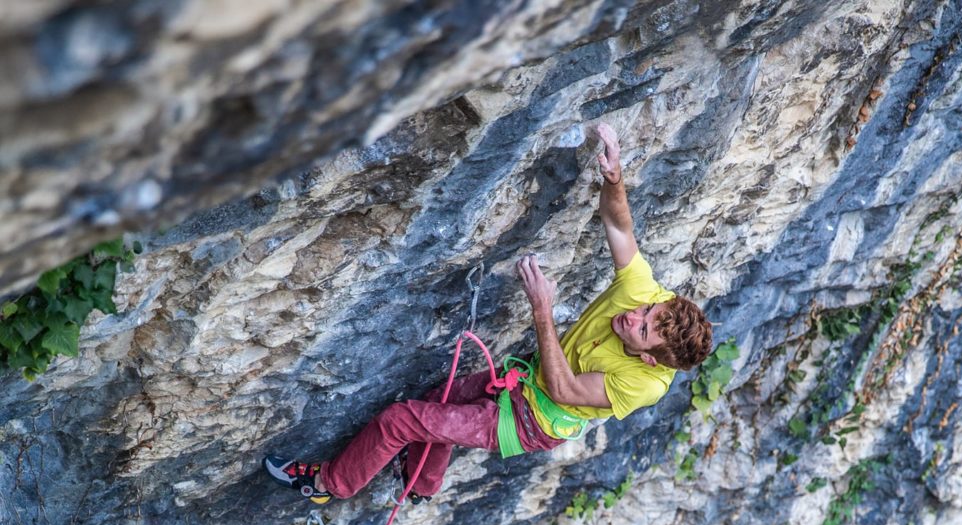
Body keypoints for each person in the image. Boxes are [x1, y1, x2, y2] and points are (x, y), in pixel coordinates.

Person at [264, 123, 713, 505]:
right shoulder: (644, 295)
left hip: (529, 421)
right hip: (522, 382)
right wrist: (614, 178)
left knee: (399, 420)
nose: (634, 314)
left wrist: (541, 309)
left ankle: (329, 485)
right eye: (648, 309)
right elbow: (619, 225)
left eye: (644, 328)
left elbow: (564, 388)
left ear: (650, 358)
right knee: (441, 397)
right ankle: (422, 483)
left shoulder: (645, 384)